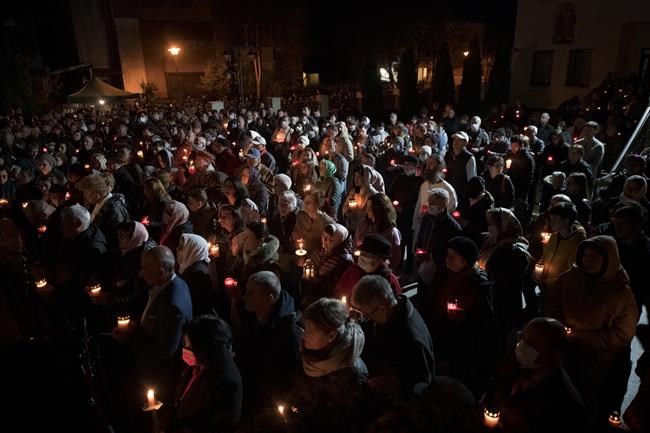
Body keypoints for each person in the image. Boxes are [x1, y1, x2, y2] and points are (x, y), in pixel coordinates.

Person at [545, 236, 637, 428]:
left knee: (586, 399)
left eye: (595, 257)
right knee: (559, 393)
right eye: (585, 256)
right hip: (564, 350)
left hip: (596, 360)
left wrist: (584, 337)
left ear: (608, 260)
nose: (588, 260)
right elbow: (552, 303)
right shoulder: (569, 278)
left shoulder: (620, 292)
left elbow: (622, 334)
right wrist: (559, 327)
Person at [116, 246, 193, 404]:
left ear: (161, 272)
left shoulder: (172, 305)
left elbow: (164, 351)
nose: (140, 273)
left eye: (145, 268)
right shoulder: (172, 284)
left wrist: (129, 338)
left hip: (159, 378)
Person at [422, 236, 495, 397]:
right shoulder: (442, 272)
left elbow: (485, 317)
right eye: (447, 254)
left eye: (453, 256)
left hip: (463, 340)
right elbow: (430, 298)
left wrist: (465, 316)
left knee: (458, 373)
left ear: (465, 261)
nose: (447, 258)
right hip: (438, 330)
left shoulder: (480, 283)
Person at [489, 318, 586, 433]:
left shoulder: (566, 405)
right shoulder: (516, 361)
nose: (521, 346)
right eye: (521, 337)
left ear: (555, 355)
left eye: (532, 345)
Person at [289, 298, 368, 433]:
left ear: (331, 336)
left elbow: (345, 424)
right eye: (305, 327)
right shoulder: (312, 354)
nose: (304, 334)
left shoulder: (352, 377)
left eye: (311, 331)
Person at [352, 275, 435, 398]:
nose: (365, 318)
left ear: (382, 309)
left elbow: (418, 386)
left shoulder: (411, 340)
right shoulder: (394, 308)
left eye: (366, 314)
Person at [236, 271, 302, 412]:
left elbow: (287, 377)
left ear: (269, 299)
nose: (245, 296)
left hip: (269, 404)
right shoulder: (252, 317)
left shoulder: (289, 334)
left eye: (251, 293)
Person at [172, 315, 242, 433]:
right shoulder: (198, 364)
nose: (185, 350)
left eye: (190, 346)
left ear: (205, 348)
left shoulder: (226, 382)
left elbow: (222, 425)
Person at [76, 171, 130, 255]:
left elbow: (115, 240)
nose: (84, 196)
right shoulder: (97, 203)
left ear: (99, 193)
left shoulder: (114, 211)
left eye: (87, 192)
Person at [538, 202, 586, 292]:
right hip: (547, 285)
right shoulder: (553, 237)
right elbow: (544, 257)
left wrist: (548, 282)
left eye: (555, 219)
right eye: (551, 219)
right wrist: (538, 272)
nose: (551, 222)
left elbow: (570, 272)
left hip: (562, 289)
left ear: (566, 220)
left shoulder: (576, 242)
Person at [336, 234, 401, 299]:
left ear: (381, 259)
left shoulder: (389, 280)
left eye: (368, 255)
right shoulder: (352, 271)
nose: (363, 257)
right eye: (362, 253)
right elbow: (339, 292)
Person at [387, 155, 422, 272]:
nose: (406, 167)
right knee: (399, 241)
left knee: (410, 241)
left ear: (415, 167)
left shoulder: (419, 182)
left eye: (409, 165)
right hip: (398, 216)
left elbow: (419, 200)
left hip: (411, 216)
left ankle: (410, 265)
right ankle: (399, 262)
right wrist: (392, 205)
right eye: (405, 164)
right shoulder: (399, 178)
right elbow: (390, 194)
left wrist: (405, 208)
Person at [354, 193, 402, 269]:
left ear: (379, 209)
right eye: (367, 206)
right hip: (360, 266)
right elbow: (355, 243)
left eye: (371, 207)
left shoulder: (392, 232)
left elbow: (394, 258)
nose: (367, 210)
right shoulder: (363, 224)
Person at [309, 223, 353, 300]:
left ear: (338, 240)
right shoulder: (322, 250)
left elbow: (337, 287)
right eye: (323, 236)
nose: (324, 240)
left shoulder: (344, 261)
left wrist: (316, 280)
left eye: (330, 239)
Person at [177, 233, 214, 316]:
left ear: (192, 249)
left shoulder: (197, 274)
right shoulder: (190, 266)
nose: (177, 249)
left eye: (181, 247)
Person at [444, 131, 477, 199]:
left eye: (459, 140)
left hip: (461, 194)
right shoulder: (448, 155)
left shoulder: (469, 158)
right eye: (455, 139)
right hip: (448, 191)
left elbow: (471, 179)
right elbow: (444, 169)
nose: (455, 142)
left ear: (465, 143)